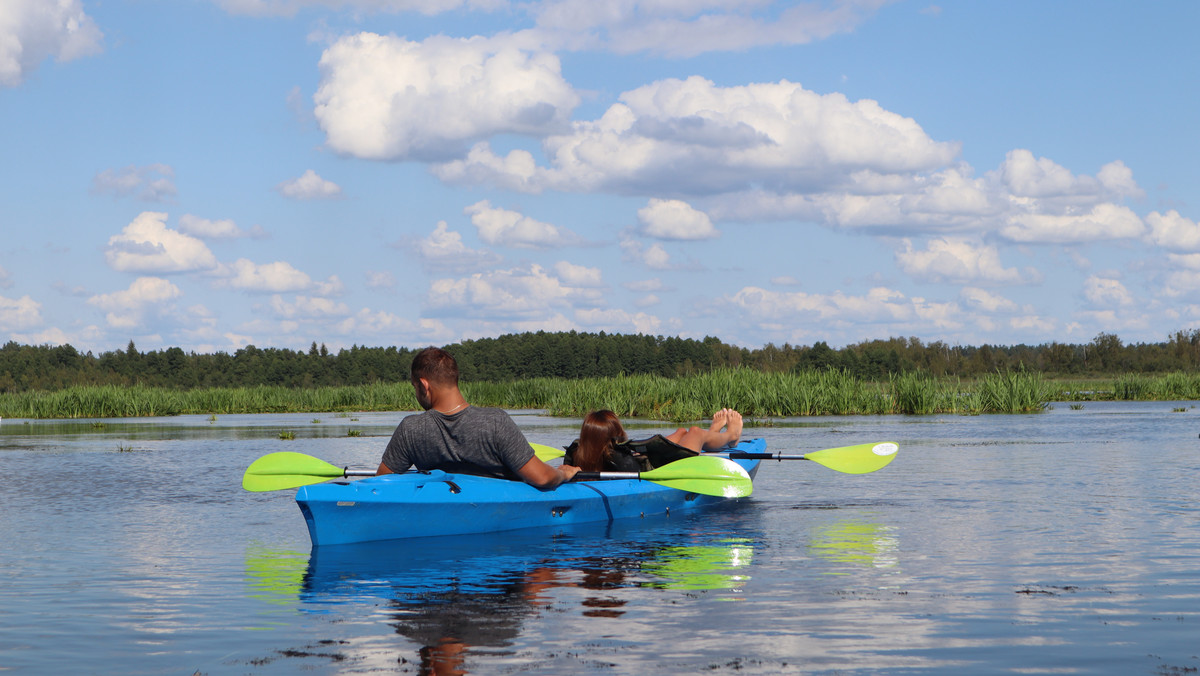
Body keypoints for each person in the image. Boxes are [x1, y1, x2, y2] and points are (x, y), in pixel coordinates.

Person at [376, 347, 579, 489]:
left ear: (424, 385)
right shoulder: (495, 421)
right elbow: (542, 478)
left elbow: (380, 484)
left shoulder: (410, 429)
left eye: (414, 388)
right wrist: (562, 473)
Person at [569, 408, 743, 473]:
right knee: (695, 432)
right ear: (617, 434)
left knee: (682, 431)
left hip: (649, 460)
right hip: (669, 464)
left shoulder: (577, 451)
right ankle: (731, 435)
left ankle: (712, 434)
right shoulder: (620, 459)